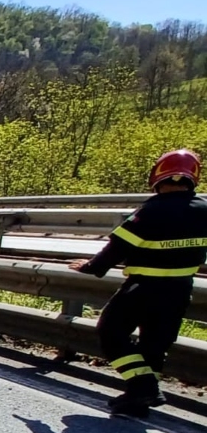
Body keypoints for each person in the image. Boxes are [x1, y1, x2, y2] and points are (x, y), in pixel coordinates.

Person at [70, 149, 207, 416]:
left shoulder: (151, 210)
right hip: (180, 289)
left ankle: (142, 385)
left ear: (157, 176)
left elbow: (116, 248)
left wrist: (90, 267)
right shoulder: (204, 210)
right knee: (155, 343)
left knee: (111, 332)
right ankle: (138, 396)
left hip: (143, 288)